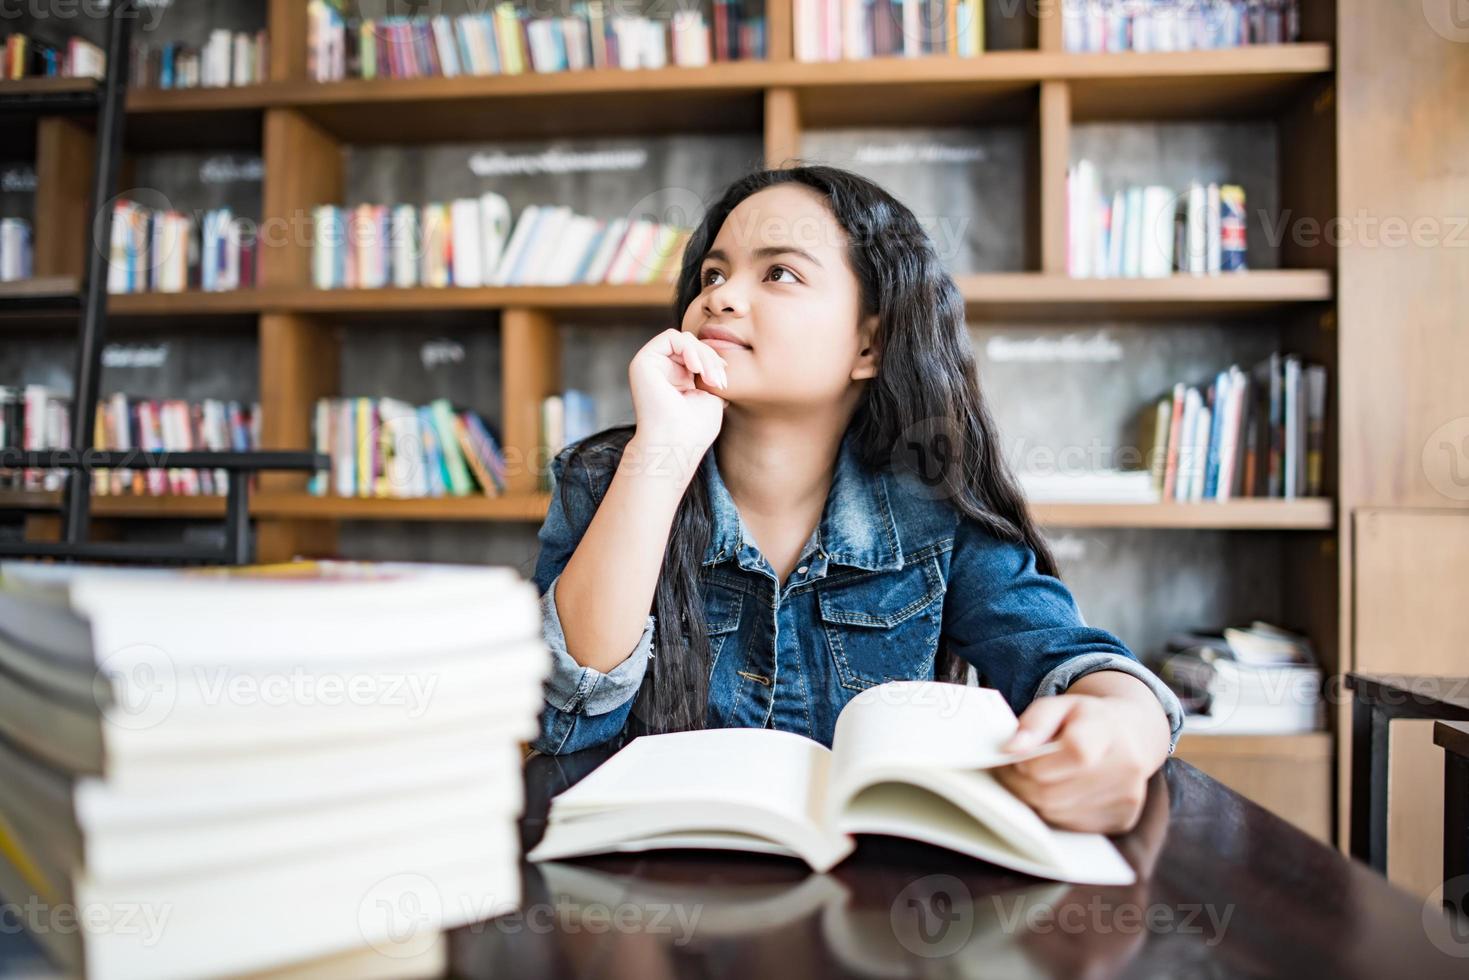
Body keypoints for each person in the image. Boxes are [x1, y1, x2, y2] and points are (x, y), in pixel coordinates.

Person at [529, 165, 1182, 834]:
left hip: (874, 897)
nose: (720, 299)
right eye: (712, 275)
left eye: (778, 273)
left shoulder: (937, 510)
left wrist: (1122, 729)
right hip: (654, 888)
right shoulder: (606, 478)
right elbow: (567, 712)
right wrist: (661, 453)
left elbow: (1072, 661)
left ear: (869, 342)